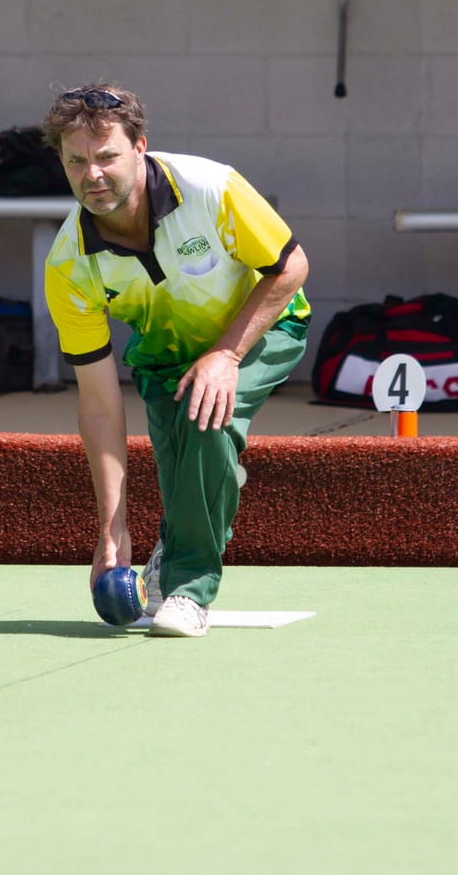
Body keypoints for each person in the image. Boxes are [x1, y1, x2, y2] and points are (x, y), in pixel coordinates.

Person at [40, 86, 310, 637]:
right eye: (76, 161)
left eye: (107, 156)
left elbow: (291, 268)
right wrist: (111, 528)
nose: (92, 174)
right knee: (191, 471)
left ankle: (190, 590)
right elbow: (97, 404)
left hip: (265, 324)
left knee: (210, 420)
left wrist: (227, 354)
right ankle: (174, 546)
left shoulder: (211, 188)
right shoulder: (68, 264)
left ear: (140, 146)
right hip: (165, 359)